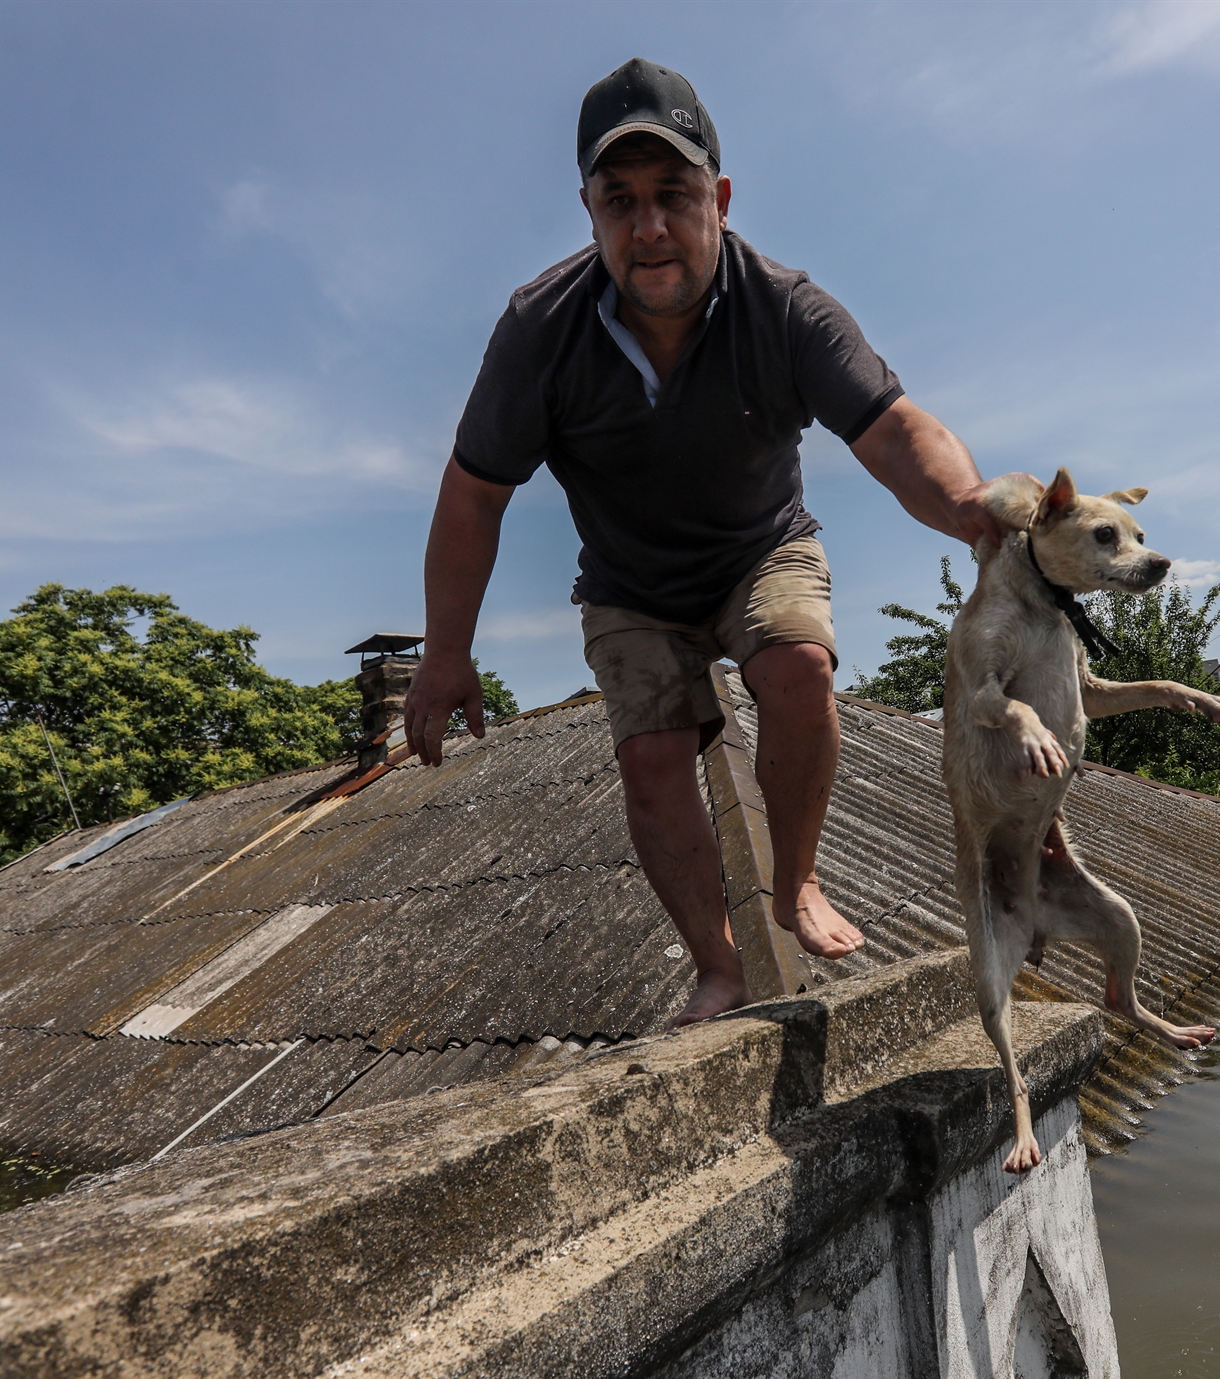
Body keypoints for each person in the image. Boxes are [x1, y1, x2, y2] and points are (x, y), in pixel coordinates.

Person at [403, 58, 999, 1027]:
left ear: (717, 198)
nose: (647, 229)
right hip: (631, 583)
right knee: (652, 751)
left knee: (799, 664)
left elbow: (893, 428)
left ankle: (794, 881)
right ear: (588, 209)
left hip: (759, 547)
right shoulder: (539, 329)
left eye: (672, 196)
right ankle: (717, 964)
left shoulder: (786, 307)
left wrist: (966, 501)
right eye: (619, 201)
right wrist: (444, 655)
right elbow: (473, 494)